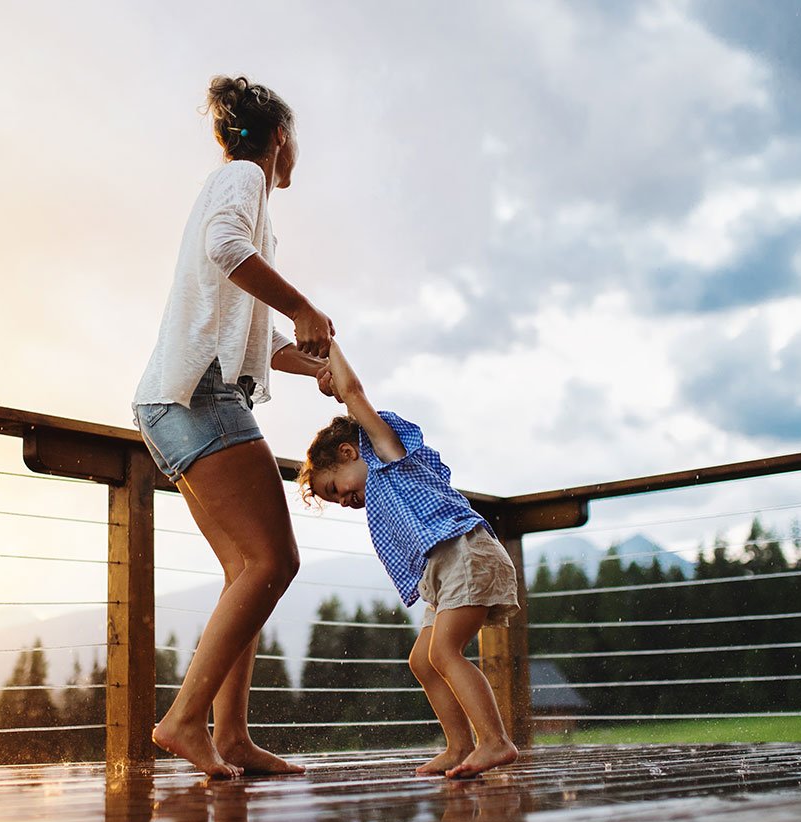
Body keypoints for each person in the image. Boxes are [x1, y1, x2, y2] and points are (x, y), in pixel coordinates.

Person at [132, 75, 333, 778]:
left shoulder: (237, 192)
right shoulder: (243, 179)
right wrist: (305, 304)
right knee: (273, 562)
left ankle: (231, 736)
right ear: (279, 137)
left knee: (247, 570)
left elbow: (248, 331)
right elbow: (225, 249)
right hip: (197, 398)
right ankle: (184, 721)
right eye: (294, 137)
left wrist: (318, 364)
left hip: (178, 399)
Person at [300, 341, 521, 778]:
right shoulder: (375, 480)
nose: (343, 500)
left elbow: (355, 393)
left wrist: (329, 349)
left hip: (465, 552)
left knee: (445, 651)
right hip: (440, 570)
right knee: (423, 659)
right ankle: (459, 746)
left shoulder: (387, 454)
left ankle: (495, 741)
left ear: (348, 452)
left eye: (335, 488)